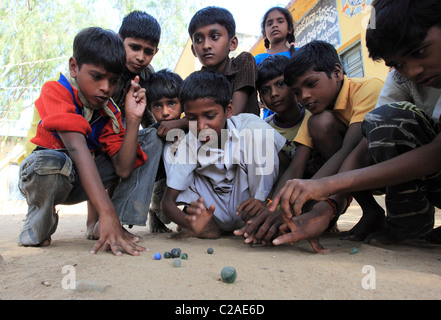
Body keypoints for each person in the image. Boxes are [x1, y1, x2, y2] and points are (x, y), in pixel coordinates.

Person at [269, 0, 441, 248]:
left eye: (420, 51)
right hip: (410, 175)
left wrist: (325, 188)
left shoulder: (366, 88)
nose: (413, 70)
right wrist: (325, 207)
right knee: (377, 123)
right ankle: (407, 227)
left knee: (388, 118)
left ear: (338, 72)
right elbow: (362, 149)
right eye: (398, 64)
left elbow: (436, 153)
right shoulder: (401, 80)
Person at [18, 27, 163, 256]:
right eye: (97, 77)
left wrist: (133, 120)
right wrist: (106, 213)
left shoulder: (108, 112)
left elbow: (124, 169)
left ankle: (113, 224)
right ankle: (40, 217)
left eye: (113, 81)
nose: (106, 88)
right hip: (45, 176)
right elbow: (76, 147)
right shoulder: (56, 91)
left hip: (79, 183)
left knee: (147, 140)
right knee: (51, 160)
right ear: (74, 67)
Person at [235, 40, 384, 252]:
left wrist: (314, 204)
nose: (304, 96)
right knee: (320, 122)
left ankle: (399, 216)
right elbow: (296, 166)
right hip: (346, 173)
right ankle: (372, 212)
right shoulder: (313, 113)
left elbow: (349, 152)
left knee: (324, 125)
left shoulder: (367, 89)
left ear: (337, 72)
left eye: (311, 84)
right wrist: (273, 207)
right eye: (297, 91)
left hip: (382, 164)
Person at [160, 71, 285, 239]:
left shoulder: (248, 126)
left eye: (210, 116)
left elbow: (283, 165)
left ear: (229, 110)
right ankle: (206, 226)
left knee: (258, 133)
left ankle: (261, 217)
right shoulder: (190, 142)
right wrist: (191, 224)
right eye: (191, 118)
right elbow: (167, 203)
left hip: (251, 206)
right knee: (171, 146)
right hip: (213, 214)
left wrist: (268, 201)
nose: (201, 126)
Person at [188, 6, 260, 116]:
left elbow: (232, 115)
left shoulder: (243, 62)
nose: (206, 46)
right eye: (198, 40)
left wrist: (181, 122)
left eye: (214, 37)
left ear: (232, 43)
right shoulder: (196, 82)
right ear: (193, 50)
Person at [141, 69, 184, 233]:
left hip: (189, 182)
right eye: (158, 105)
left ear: (183, 103)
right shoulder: (151, 135)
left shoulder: (193, 129)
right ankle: (155, 214)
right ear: (150, 109)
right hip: (161, 183)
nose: (165, 112)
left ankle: (189, 213)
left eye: (172, 103)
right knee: (164, 212)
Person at [112, 10, 161, 129]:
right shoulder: (105, 64)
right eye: (135, 47)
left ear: (155, 52)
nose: (140, 57)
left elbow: (149, 121)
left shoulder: (148, 75)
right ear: (119, 40)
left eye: (148, 52)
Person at [254, 6, 296, 119]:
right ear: (264, 33)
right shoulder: (256, 60)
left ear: (289, 29)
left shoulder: (299, 54)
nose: (275, 25)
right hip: (272, 119)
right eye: (269, 23)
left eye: (280, 21)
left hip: (300, 114)